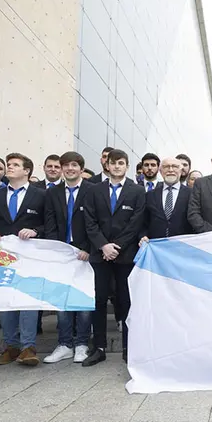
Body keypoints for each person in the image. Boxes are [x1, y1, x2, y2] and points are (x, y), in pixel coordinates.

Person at [0, 153, 47, 368]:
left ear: (27, 171)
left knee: (28, 299)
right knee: (5, 299)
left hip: (30, 256)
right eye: (9, 164)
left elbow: (50, 224)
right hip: (2, 257)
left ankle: (28, 347)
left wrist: (35, 231)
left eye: (15, 165)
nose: (10, 167)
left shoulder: (41, 195)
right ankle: (11, 346)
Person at [83, 149, 146, 366]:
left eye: (121, 163)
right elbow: (90, 221)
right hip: (100, 254)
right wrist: (103, 245)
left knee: (126, 301)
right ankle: (99, 347)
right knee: (99, 300)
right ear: (107, 165)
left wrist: (116, 246)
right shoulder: (94, 190)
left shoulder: (137, 191)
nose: (117, 166)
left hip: (125, 255)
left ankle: (129, 348)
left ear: (127, 166)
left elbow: (136, 222)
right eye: (113, 163)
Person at [42, 151, 93, 364]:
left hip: (85, 253)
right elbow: (50, 223)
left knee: (82, 299)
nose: (70, 169)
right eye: (66, 165)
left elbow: (96, 222)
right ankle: (64, 344)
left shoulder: (93, 190)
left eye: (74, 165)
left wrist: (89, 248)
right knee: (62, 299)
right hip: (62, 253)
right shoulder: (52, 193)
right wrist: (57, 249)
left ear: (81, 169)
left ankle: (82, 344)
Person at [140, 156, 193, 242]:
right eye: (166, 167)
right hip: (157, 246)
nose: (170, 170)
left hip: (183, 246)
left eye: (175, 166)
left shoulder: (192, 194)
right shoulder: (150, 195)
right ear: (160, 171)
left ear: (181, 170)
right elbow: (143, 222)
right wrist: (143, 236)